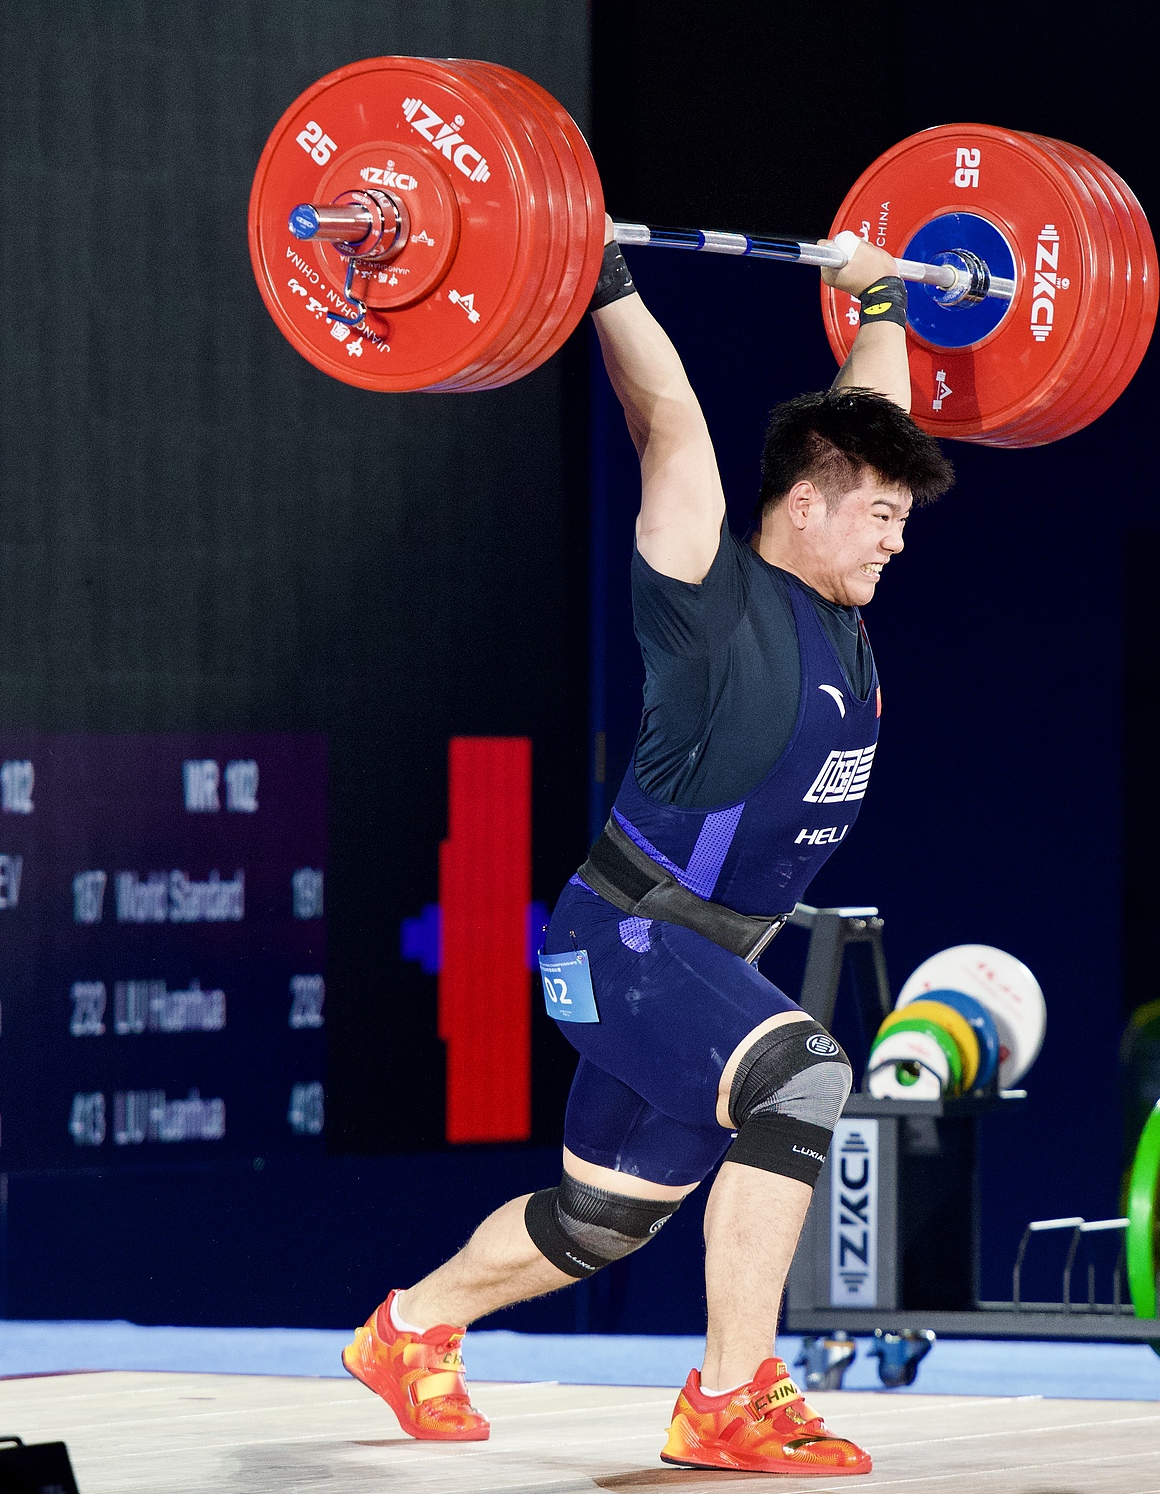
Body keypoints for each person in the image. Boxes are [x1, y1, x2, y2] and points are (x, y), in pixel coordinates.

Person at [341, 216, 953, 1475]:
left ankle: (411, 1328)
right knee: (802, 1078)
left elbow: (867, 419)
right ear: (801, 504)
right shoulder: (706, 596)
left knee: (604, 1221)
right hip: (629, 939)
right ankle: (728, 1396)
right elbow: (665, 416)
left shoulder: (841, 602)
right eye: (880, 514)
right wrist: (596, 273)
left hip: (691, 962)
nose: (898, 536)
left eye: (902, 516)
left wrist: (880, 298)